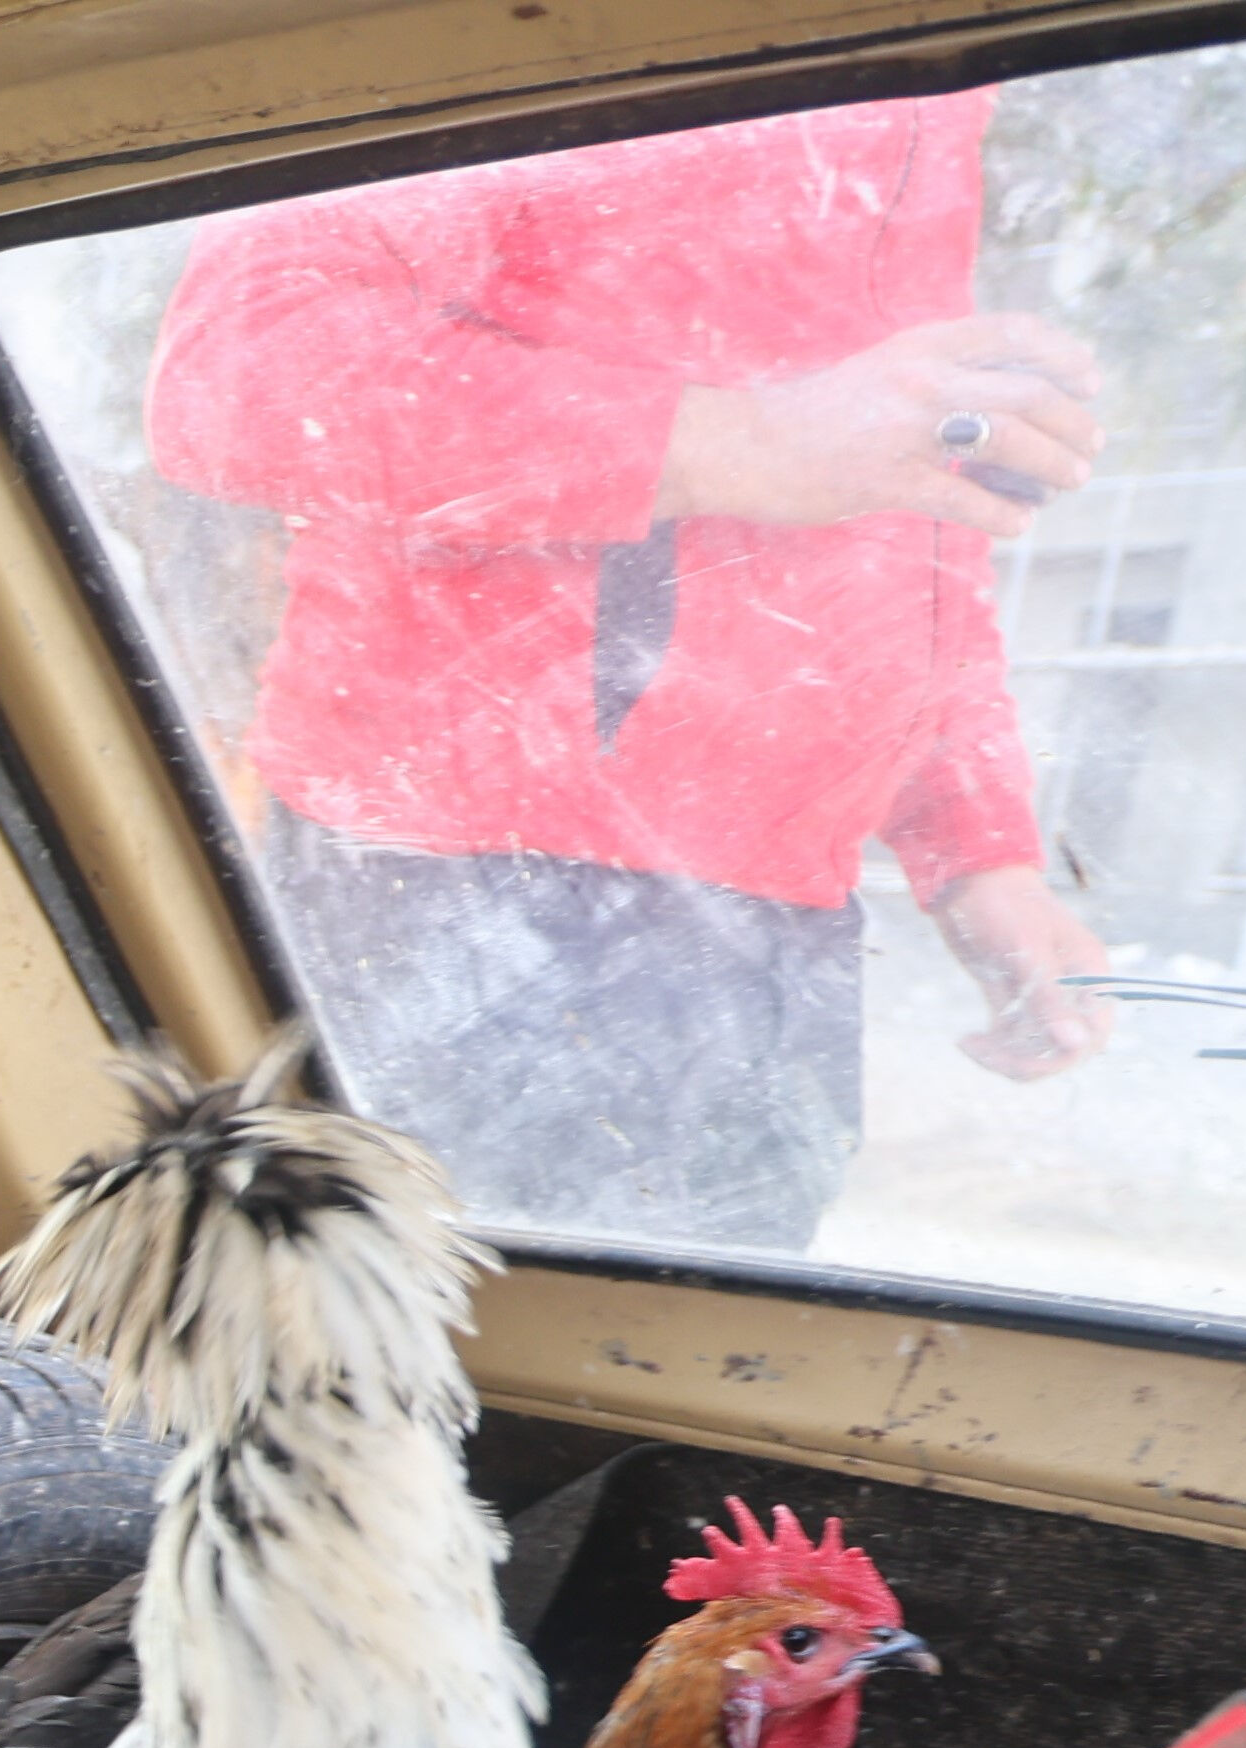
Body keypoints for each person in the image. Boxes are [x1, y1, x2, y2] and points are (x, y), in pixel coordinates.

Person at [149, 95, 1118, 1252]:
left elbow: (896, 521)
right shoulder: (572, 59)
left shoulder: (936, 88)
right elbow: (241, 373)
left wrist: (979, 855)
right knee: (432, 1381)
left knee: (696, 1371)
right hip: (471, 878)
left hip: (778, 928)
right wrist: (742, 441)